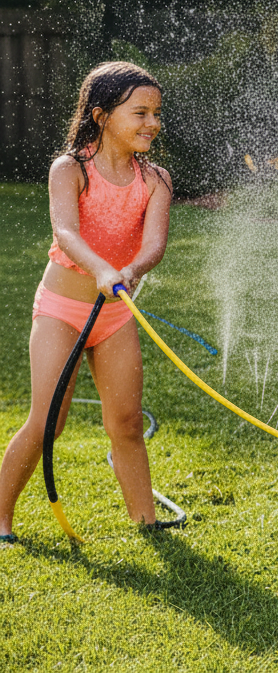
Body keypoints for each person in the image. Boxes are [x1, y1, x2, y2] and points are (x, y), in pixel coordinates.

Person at [0, 61, 172, 544]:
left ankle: (146, 520)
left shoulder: (155, 179)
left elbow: (153, 244)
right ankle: (0, 518)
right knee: (47, 422)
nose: (152, 123)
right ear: (101, 115)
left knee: (126, 421)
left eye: (156, 113)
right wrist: (100, 268)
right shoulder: (70, 169)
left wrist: (131, 271)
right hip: (62, 309)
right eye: (139, 113)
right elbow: (66, 231)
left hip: (115, 315)